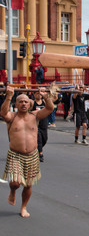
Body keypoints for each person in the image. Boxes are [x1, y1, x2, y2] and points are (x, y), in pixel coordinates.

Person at [0, 86, 54, 217]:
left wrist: (45, 96)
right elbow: (3, 113)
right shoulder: (12, 117)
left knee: (28, 185)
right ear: (16, 104)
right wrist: (8, 96)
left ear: (30, 104)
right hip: (15, 155)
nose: (23, 103)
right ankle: (12, 191)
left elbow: (50, 108)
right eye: (20, 101)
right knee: (15, 183)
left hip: (32, 155)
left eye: (26, 101)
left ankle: (23, 207)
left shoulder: (35, 116)